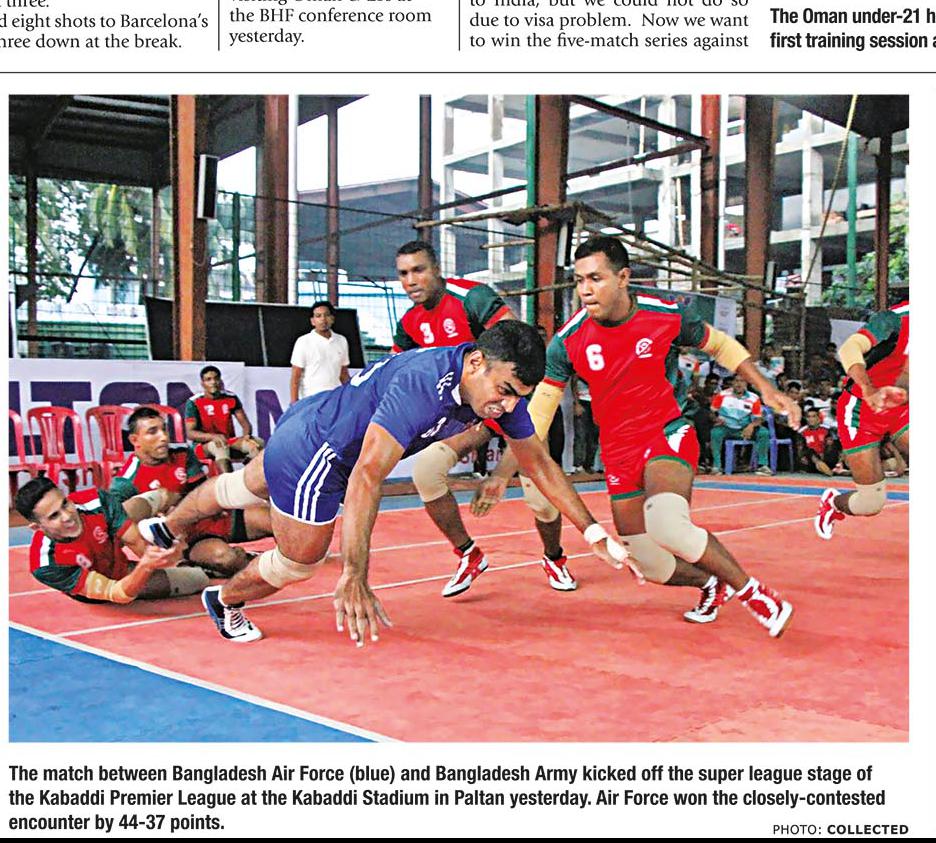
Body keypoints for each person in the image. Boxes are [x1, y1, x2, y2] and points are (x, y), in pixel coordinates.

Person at [138, 321, 629, 645]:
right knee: (300, 560)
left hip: (313, 417)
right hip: (322, 456)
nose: (507, 406)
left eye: (518, 397)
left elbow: (539, 463)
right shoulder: (424, 384)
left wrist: (592, 532)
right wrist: (355, 572)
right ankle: (224, 600)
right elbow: (368, 474)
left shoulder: (491, 392)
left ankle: (168, 525)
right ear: (477, 362)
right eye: (504, 392)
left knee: (242, 485)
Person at [472, 236, 800, 636]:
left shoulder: (663, 314)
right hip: (618, 451)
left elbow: (719, 345)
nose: (585, 290)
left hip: (666, 432)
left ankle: (756, 594)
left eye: (596, 278)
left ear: (623, 277)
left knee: (667, 524)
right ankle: (710, 584)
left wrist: (766, 388)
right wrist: (502, 473)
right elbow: (537, 416)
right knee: (648, 562)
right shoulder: (568, 342)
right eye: (579, 280)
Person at [392, 240, 577, 595]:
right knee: (426, 471)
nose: (411, 280)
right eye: (403, 273)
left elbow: (521, 352)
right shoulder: (409, 323)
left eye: (419, 270)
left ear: (437, 269)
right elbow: (398, 373)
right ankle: (469, 554)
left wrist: (501, 472)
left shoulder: (472, 299)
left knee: (540, 498)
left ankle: (554, 557)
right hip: (469, 415)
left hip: (511, 406)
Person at [112, 406, 272, 577]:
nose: (164, 437)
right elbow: (117, 523)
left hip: (219, 518)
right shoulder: (125, 481)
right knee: (227, 559)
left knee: (278, 521)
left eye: (164, 429)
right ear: (135, 440)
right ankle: (231, 562)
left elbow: (202, 490)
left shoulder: (183, 454)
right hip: (191, 539)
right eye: (153, 432)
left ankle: (219, 565)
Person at [16, 476, 194, 605]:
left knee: (135, 507)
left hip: (109, 542)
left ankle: (172, 499)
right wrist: (147, 566)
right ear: (38, 527)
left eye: (65, 504)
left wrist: (169, 555)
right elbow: (117, 593)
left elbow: (136, 542)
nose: (68, 516)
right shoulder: (46, 565)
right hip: (109, 581)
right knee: (195, 579)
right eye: (54, 516)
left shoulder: (96, 501)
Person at [815, 301, 909, 539]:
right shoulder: (896, 319)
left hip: (902, 405)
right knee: (870, 503)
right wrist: (868, 388)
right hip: (861, 408)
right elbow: (850, 348)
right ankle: (833, 503)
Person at [184, 365, 264, 473]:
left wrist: (246, 436)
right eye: (208, 379)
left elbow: (245, 424)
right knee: (220, 446)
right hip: (203, 446)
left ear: (220, 380)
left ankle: (247, 475)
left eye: (216, 378)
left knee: (258, 443)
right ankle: (228, 481)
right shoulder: (194, 402)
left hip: (227, 441)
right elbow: (190, 433)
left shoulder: (231, 397)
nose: (213, 382)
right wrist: (213, 436)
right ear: (202, 383)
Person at [710, 375, 773, 476]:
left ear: (746, 384)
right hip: (726, 427)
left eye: (742, 381)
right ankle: (717, 466)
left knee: (763, 433)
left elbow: (758, 418)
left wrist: (751, 426)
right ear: (732, 383)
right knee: (715, 433)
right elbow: (712, 412)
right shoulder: (722, 395)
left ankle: (762, 466)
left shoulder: (753, 398)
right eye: (736, 381)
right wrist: (715, 419)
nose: (739, 384)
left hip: (744, 429)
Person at [289, 300, 350, 404]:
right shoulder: (303, 341)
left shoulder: (341, 340)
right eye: (318, 316)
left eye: (326, 315)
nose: (323, 319)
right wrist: (294, 403)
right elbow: (295, 376)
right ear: (312, 321)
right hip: (311, 400)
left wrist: (351, 396)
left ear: (332, 319)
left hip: (335, 399)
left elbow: (343, 373)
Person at [798, 407, 840, 476]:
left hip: (826, 458)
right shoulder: (802, 432)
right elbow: (800, 448)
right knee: (810, 451)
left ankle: (829, 469)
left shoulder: (827, 429)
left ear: (819, 418)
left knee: (833, 445)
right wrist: (801, 457)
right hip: (811, 460)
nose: (811, 419)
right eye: (808, 417)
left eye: (813, 416)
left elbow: (832, 445)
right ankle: (828, 471)